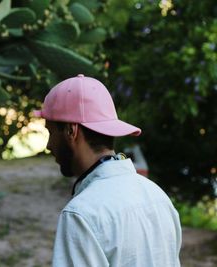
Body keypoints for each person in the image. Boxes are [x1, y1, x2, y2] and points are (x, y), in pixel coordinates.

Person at [34, 74, 182, 266]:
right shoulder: (158, 197)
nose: (48, 145)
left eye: (51, 132)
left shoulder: (81, 214)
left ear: (71, 131)